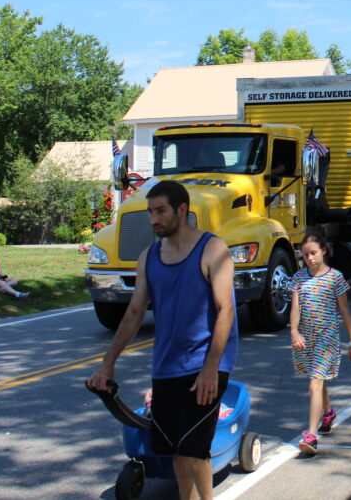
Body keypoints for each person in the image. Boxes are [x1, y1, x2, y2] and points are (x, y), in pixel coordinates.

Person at [88, 180, 238, 500]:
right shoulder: (148, 257)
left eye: (160, 211)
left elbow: (226, 311)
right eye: (150, 212)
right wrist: (107, 363)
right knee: (173, 449)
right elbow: (134, 312)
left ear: (181, 210)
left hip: (207, 363)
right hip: (167, 365)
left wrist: (211, 367)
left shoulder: (213, 249)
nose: (153, 219)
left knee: (193, 447)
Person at [291, 233, 351, 455]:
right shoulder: (299, 278)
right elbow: (296, 308)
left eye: (313, 253)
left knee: (314, 384)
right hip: (306, 338)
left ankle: (311, 436)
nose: (309, 258)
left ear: (324, 251)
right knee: (318, 380)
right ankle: (328, 413)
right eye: (305, 254)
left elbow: (345, 311)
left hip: (327, 338)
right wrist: (294, 331)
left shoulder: (335, 278)